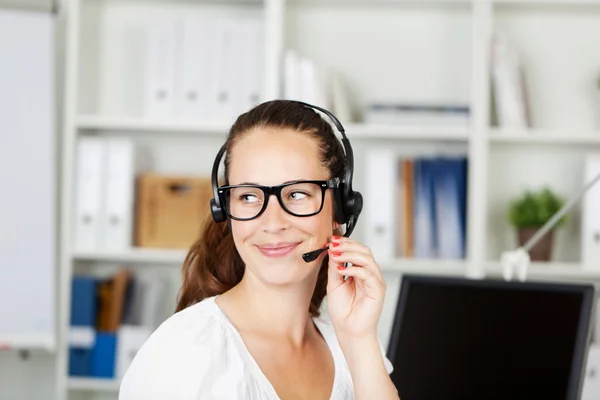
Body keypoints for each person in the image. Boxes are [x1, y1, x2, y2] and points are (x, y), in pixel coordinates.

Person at [118, 100, 399, 400]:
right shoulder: (184, 354)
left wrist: (358, 339)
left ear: (340, 208)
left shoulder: (349, 349)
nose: (273, 223)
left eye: (297, 194)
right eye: (249, 197)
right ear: (225, 210)